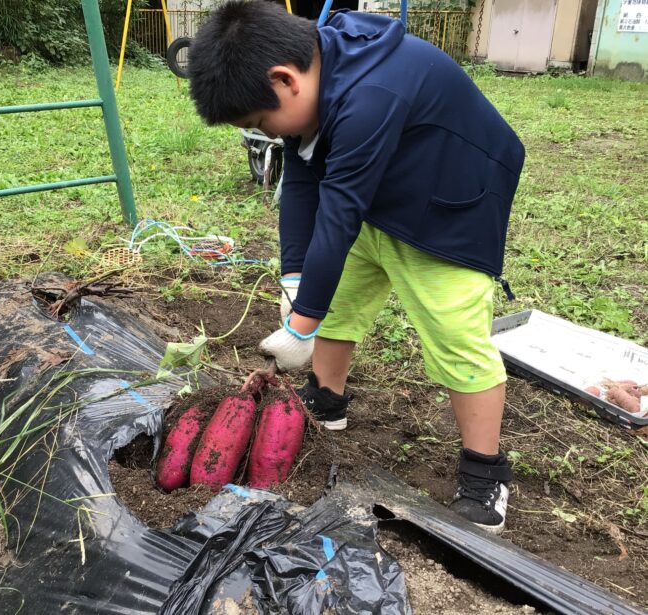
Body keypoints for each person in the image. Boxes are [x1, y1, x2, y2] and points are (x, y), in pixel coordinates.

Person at [186, 0, 524, 534]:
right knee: (336, 297)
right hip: (380, 193)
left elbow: (339, 210)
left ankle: (485, 473)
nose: (269, 133)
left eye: (261, 121)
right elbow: (300, 179)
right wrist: (297, 281)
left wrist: (300, 325)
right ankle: (327, 399)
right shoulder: (318, 70)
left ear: (285, 79)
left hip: (450, 204)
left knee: (455, 332)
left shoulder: (371, 92)